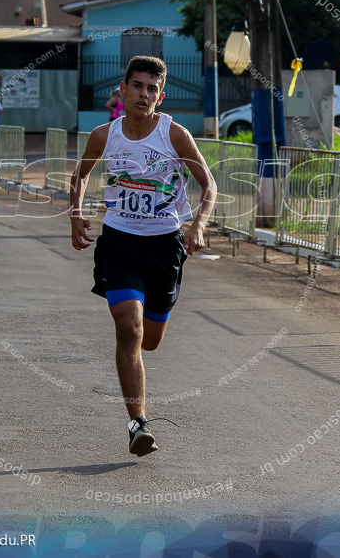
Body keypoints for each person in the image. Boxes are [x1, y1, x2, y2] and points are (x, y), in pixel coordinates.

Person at [69, 56, 217, 457]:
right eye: (137, 86)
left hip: (164, 245)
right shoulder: (105, 135)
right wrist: (76, 215)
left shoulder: (175, 135)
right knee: (129, 329)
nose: (144, 94)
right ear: (123, 90)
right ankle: (138, 424)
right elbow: (80, 175)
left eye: (152, 89)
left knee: (150, 340)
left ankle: (138, 407)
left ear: (160, 95)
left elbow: (209, 185)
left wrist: (198, 225)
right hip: (119, 240)